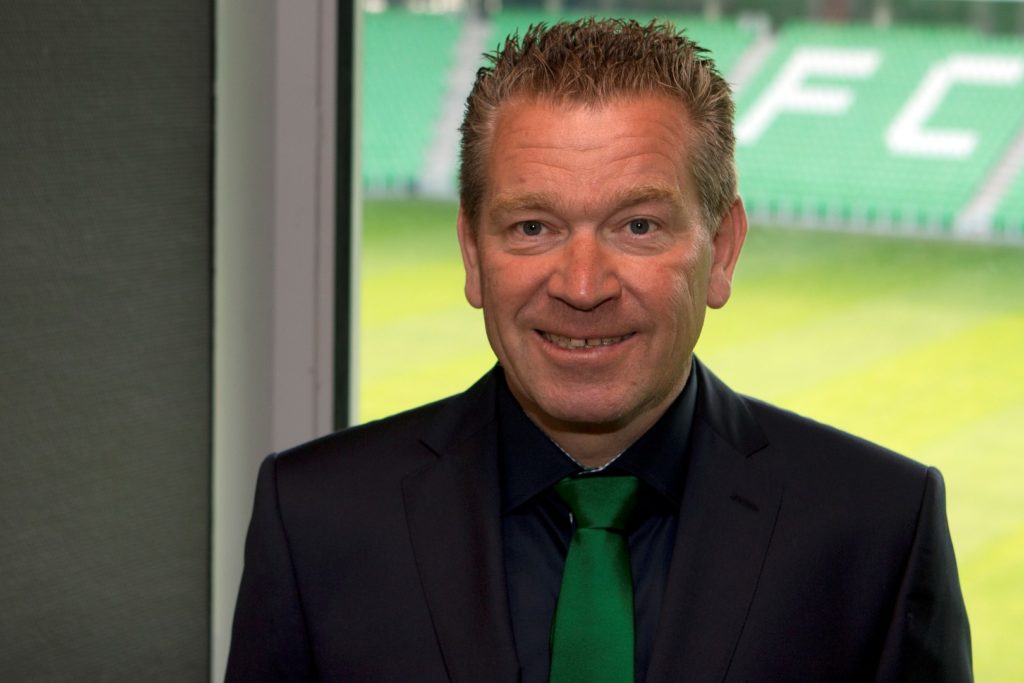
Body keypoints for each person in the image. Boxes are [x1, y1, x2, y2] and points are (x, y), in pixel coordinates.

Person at [226, 18, 971, 682]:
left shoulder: (877, 529)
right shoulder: (316, 519)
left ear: (721, 250)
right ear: (473, 254)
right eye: (533, 227)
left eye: (638, 226)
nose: (582, 287)